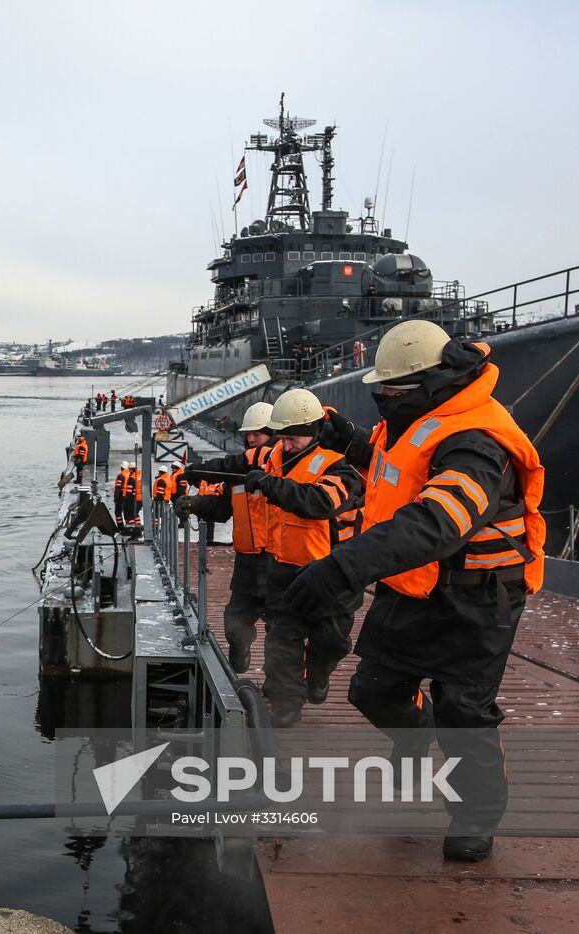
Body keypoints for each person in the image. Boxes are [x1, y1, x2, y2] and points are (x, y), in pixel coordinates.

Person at [285, 320, 545, 862]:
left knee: (464, 712)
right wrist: (346, 439)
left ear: (434, 383)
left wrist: (341, 567)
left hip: (477, 599)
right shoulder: (418, 417)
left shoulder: (477, 441)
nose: (383, 399)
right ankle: (415, 728)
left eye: (391, 390)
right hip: (412, 587)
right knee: (372, 692)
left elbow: (439, 520)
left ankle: (475, 813)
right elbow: (395, 469)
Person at [244, 388, 363, 726]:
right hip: (284, 570)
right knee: (281, 645)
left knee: (333, 642)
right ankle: (285, 706)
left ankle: (318, 674)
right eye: (282, 436)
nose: (287, 443)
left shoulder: (339, 466)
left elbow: (321, 502)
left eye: (294, 437)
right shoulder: (275, 458)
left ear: (313, 432)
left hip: (331, 574)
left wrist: (270, 486)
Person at [176, 402, 277, 673]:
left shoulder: (279, 467)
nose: (253, 440)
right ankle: (240, 656)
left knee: (280, 630)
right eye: (250, 435)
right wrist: (197, 504)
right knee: (235, 621)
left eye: (259, 434)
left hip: (278, 561)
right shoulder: (237, 477)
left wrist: (203, 469)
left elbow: (246, 463)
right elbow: (221, 509)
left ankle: (278, 684)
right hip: (246, 560)